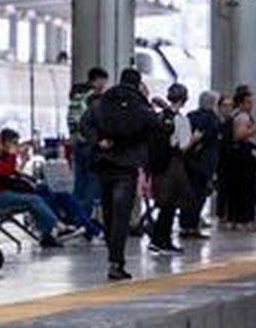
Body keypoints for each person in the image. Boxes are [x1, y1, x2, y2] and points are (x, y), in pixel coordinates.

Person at [88, 67, 156, 281]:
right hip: (127, 166)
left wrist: (98, 141)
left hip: (104, 164)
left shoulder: (102, 101)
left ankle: (112, 254)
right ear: (138, 83)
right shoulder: (140, 105)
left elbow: (84, 125)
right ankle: (116, 262)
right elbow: (156, 129)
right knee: (122, 215)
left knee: (108, 213)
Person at [0, 130, 63, 249]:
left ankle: (48, 233)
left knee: (37, 197)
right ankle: (56, 225)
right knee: (34, 200)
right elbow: (6, 171)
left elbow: (8, 171)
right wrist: (12, 155)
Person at [149, 84, 196, 255]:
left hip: (158, 165)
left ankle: (158, 240)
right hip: (174, 165)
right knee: (171, 204)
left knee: (164, 204)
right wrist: (195, 139)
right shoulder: (181, 120)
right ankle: (163, 241)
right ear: (184, 100)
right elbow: (183, 146)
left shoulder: (159, 116)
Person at [68, 67, 108, 226]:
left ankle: (74, 217)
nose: (104, 84)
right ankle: (84, 221)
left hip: (77, 144)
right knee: (92, 183)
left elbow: (72, 121)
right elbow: (97, 121)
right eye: (103, 81)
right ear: (96, 80)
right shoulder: (93, 98)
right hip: (91, 144)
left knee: (79, 184)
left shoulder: (76, 96)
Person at [182, 91, 224, 240]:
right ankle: (192, 226)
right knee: (199, 196)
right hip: (204, 164)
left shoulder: (190, 116)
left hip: (189, 162)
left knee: (188, 195)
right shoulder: (213, 120)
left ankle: (185, 225)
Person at [221, 86, 256, 230]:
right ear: (242, 103)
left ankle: (233, 218)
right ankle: (244, 220)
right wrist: (253, 130)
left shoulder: (233, 115)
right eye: (249, 102)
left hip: (232, 158)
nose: (251, 106)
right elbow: (239, 135)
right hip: (242, 159)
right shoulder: (243, 117)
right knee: (245, 190)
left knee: (235, 190)